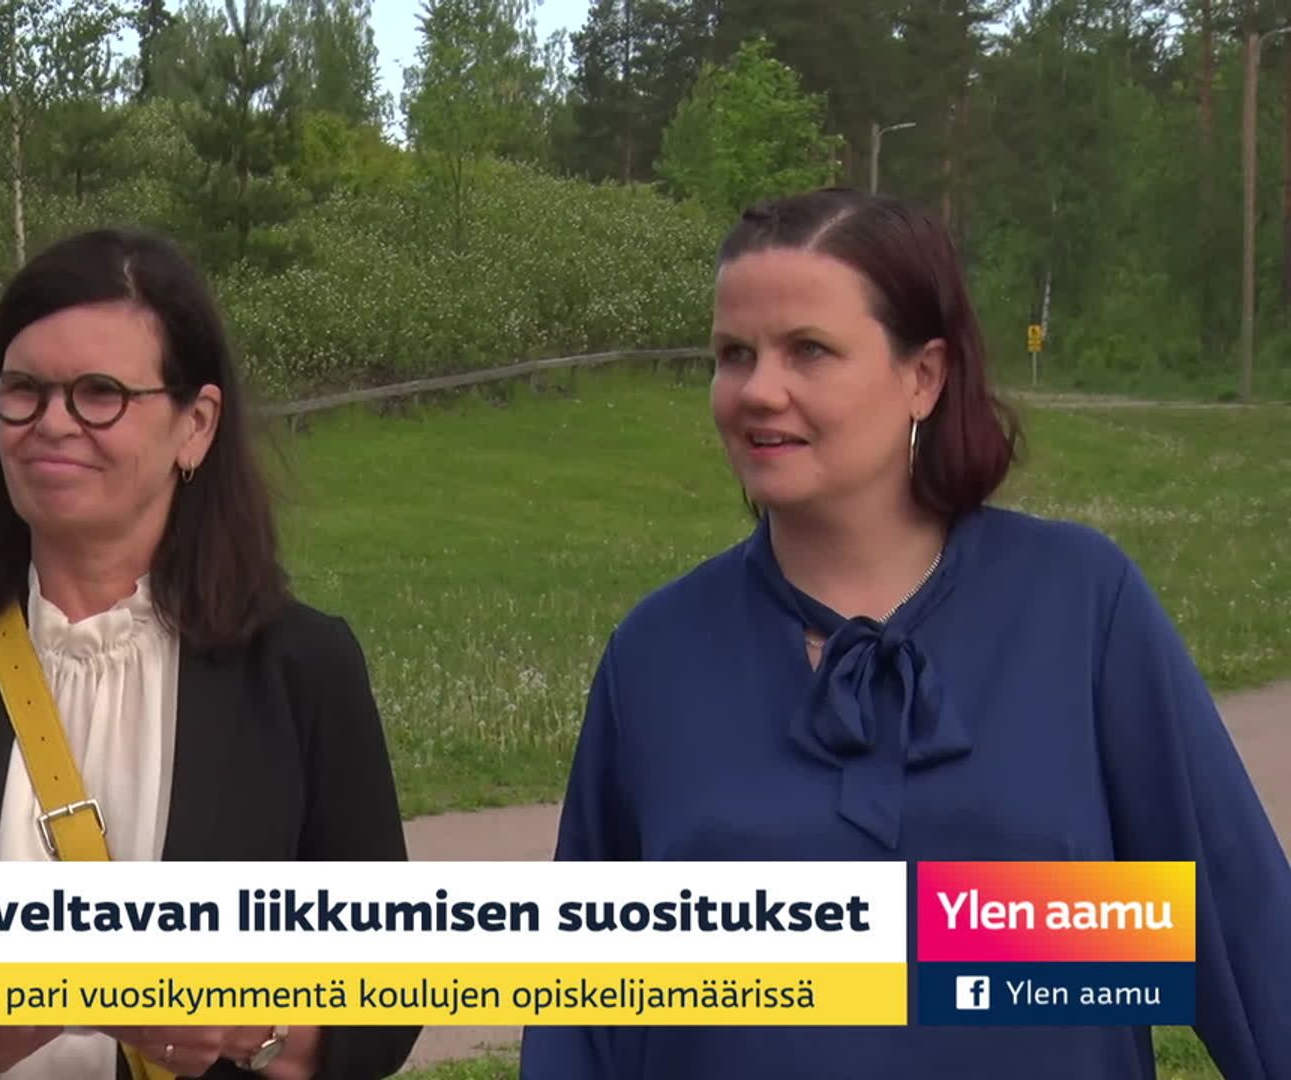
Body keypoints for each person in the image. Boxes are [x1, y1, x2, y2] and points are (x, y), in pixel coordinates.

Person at [519, 188, 1291, 1079]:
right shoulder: (655, 654)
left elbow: (1242, 928)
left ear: (923, 375)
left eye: (809, 350)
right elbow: (583, 1015)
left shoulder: (1080, 604)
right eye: (735, 355)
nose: (758, 390)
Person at [0, 227, 420, 1080]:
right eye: (24, 391)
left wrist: (251, 1023)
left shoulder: (302, 670)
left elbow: (387, 1005)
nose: (52, 423)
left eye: (100, 394)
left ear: (195, 425)